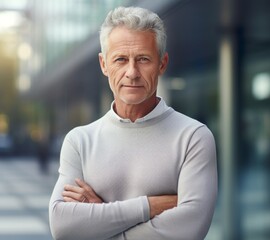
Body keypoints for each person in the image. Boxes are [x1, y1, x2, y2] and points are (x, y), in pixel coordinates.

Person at [49, 6, 218, 240]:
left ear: (162, 63)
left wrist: (100, 218)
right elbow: (63, 226)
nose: (132, 72)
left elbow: (189, 230)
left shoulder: (193, 137)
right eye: (120, 59)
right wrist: (149, 206)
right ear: (104, 64)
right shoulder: (79, 141)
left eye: (143, 59)